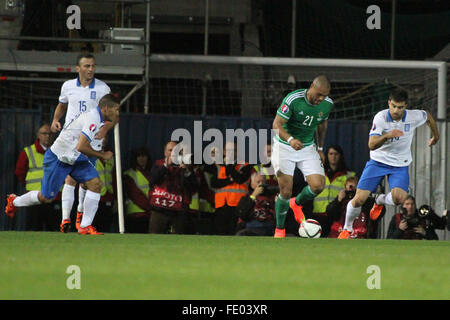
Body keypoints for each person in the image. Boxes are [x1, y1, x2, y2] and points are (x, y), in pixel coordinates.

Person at [5, 94, 120, 235]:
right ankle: (14, 201)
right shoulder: (93, 119)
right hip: (59, 158)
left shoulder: (98, 118)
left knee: (95, 184)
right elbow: (81, 146)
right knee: (46, 197)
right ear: (106, 109)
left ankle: (85, 226)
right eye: (116, 109)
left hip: (76, 159)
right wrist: (103, 155)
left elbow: (81, 146)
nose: (117, 113)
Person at [338, 88, 440, 239]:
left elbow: (428, 117)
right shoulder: (381, 118)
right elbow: (371, 144)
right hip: (377, 162)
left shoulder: (413, 116)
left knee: (399, 199)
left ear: (405, 106)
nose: (396, 110)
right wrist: (387, 135)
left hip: (400, 165)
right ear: (388, 103)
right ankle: (347, 229)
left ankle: (379, 200)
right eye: (393, 106)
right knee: (359, 199)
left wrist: (436, 136)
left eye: (400, 107)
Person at [50, 53, 115, 233]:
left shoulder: (103, 88)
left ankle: (80, 214)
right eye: (86, 66)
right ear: (78, 68)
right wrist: (55, 119)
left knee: (86, 181)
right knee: (70, 178)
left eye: (93, 66)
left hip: (92, 139)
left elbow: (111, 113)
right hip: (71, 137)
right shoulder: (68, 86)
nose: (91, 69)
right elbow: (62, 105)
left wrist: (105, 129)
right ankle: (65, 219)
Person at [271, 75, 334, 238]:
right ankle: (280, 229)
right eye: (319, 94)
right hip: (285, 145)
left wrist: (320, 148)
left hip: (307, 147)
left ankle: (296, 203)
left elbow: (322, 124)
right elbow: (276, 125)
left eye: (325, 96)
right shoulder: (293, 99)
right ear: (312, 86)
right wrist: (290, 140)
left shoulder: (327, 105)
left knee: (318, 185)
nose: (321, 99)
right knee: (285, 190)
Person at [13, 123, 60, 231]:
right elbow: (20, 172)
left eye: (50, 134)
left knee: (55, 230)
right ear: (38, 135)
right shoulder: (28, 152)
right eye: (44, 133)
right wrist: (30, 186)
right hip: (33, 197)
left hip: (54, 197)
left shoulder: (59, 152)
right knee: (32, 228)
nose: (47, 136)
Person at [148, 141, 198, 234]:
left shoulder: (185, 166)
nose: (172, 153)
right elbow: (153, 180)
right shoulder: (159, 164)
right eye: (170, 150)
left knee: (179, 240)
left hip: (178, 210)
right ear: (165, 153)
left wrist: (186, 170)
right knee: (154, 238)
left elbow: (193, 187)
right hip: (160, 209)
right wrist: (166, 166)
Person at [309, 145, 355, 236]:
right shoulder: (319, 173)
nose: (333, 156)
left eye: (336, 154)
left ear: (340, 156)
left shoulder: (349, 175)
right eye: (331, 154)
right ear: (327, 155)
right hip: (318, 214)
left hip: (337, 215)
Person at [211, 141, 252, 235]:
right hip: (221, 205)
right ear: (224, 151)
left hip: (238, 206)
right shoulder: (218, 166)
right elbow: (214, 183)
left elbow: (239, 179)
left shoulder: (245, 165)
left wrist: (229, 165)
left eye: (234, 150)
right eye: (228, 150)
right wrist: (230, 180)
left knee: (235, 234)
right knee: (220, 235)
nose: (231, 153)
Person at [235, 172, 277, 236]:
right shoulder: (246, 198)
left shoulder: (271, 197)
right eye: (258, 182)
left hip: (268, 228)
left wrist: (278, 203)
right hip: (251, 228)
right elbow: (242, 214)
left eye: (263, 182)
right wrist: (254, 195)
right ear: (252, 185)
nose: (261, 184)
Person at [123, 147, 152, 233]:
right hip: (135, 214)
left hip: (148, 215)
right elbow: (135, 195)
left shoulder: (151, 173)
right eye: (139, 156)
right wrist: (152, 209)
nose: (141, 158)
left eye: (144, 156)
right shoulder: (129, 174)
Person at [92, 136, 116, 233]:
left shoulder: (111, 155)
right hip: (93, 197)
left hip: (107, 197)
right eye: (101, 136)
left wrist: (116, 199)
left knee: (105, 228)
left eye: (106, 137)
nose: (104, 139)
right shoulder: (88, 153)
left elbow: (115, 178)